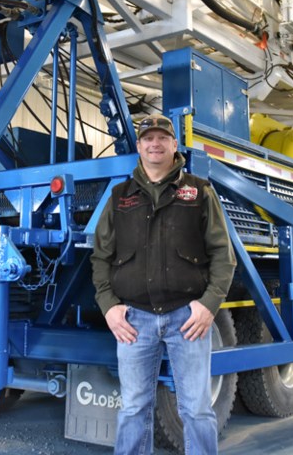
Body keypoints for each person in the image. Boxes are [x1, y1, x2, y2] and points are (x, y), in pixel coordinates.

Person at [91, 114, 237, 455]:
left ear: (174, 144)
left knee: (197, 409)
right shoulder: (119, 196)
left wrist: (209, 304)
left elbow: (222, 254)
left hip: (187, 319)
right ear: (139, 146)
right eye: (147, 139)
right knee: (133, 408)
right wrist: (109, 307)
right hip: (133, 321)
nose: (154, 144)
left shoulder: (199, 192)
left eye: (162, 138)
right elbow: (100, 258)